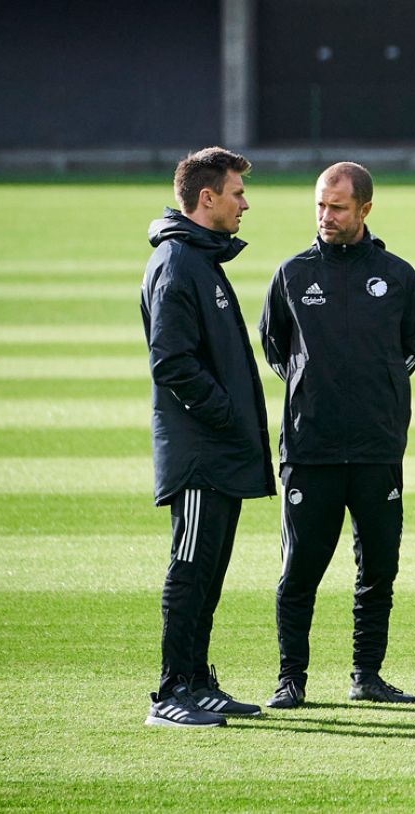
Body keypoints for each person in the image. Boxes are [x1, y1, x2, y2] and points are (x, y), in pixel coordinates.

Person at [259, 161, 415, 709]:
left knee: (378, 566)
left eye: (336, 206)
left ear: (365, 209)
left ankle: (366, 675)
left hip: (378, 447)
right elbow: (275, 347)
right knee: (299, 572)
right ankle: (291, 679)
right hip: (311, 449)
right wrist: (315, 393)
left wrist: (374, 393)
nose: (325, 215)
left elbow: (412, 345)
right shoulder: (291, 274)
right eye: (319, 205)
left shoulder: (398, 276)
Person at [140, 146, 275, 728]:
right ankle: (171, 692)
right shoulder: (177, 263)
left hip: (219, 450)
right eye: (237, 192)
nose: (245, 203)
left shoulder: (201, 260)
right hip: (199, 453)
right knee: (190, 565)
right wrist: (224, 415)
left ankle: (198, 680)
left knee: (211, 566)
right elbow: (171, 362)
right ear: (207, 198)